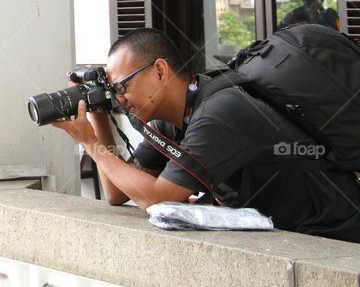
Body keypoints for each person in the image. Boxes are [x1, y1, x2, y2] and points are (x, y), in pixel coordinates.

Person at [53, 27, 360, 242]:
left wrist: (89, 143)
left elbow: (159, 199)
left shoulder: (219, 112)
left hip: (330, 234)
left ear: (160, 71)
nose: (119, 97)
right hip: (290, 233)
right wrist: (97, 114)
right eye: (113, 90)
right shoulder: (168, 121)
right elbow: (119, 194)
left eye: (122, 86)